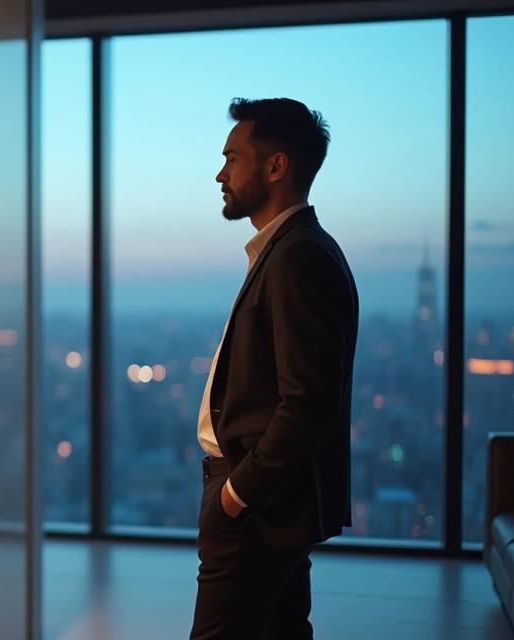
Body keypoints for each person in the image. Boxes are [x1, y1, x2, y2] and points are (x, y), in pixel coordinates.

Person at [190, 98, 359, 640]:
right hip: (270, 504)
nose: (220, 173)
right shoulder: (288, 249)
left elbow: (308, 402)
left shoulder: (297, 257)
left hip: (256, 508)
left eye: (232, 158)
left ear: (275, 166)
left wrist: (235, 497)